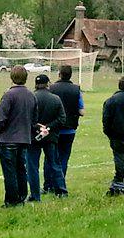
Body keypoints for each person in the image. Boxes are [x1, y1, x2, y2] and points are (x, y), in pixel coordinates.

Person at [0, 65, 38, 207]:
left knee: (10, 172)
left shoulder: (8, 95)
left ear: (12, 77)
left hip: (8, 139)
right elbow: (34, 119)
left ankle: (11, 200)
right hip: (24, 138)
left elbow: (2, 118)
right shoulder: (31, 95)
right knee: (21, 169)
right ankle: (21, 196)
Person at [27, 74, 67, 200]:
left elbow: (27, 119)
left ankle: (35, 195)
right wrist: (48, 128)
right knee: (55, 164)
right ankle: (61, 191)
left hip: (33, 137)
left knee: (32, 167)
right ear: (48, 83)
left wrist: (38, 128)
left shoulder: (31, 98)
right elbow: (62, 119)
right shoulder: (55, 99)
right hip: (50, 137)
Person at [49, 64, 85, 192]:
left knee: (51, 157)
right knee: (64, 157)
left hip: (54, 129)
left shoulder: (51, 88)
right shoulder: (76, 90)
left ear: (59, 74)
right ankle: (60, 182)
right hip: (70, 129)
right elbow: (82, 111)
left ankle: (49, 184)